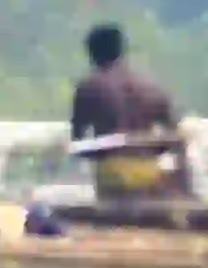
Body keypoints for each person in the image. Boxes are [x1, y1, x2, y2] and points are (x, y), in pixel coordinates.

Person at [69, 22, 193, 201]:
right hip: (151, 172)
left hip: (113, 175)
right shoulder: (151, 85)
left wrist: (105, 150)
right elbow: (176, 140)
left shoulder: (89, 87)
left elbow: (78, 144)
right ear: (122, 51)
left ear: (92, 54)